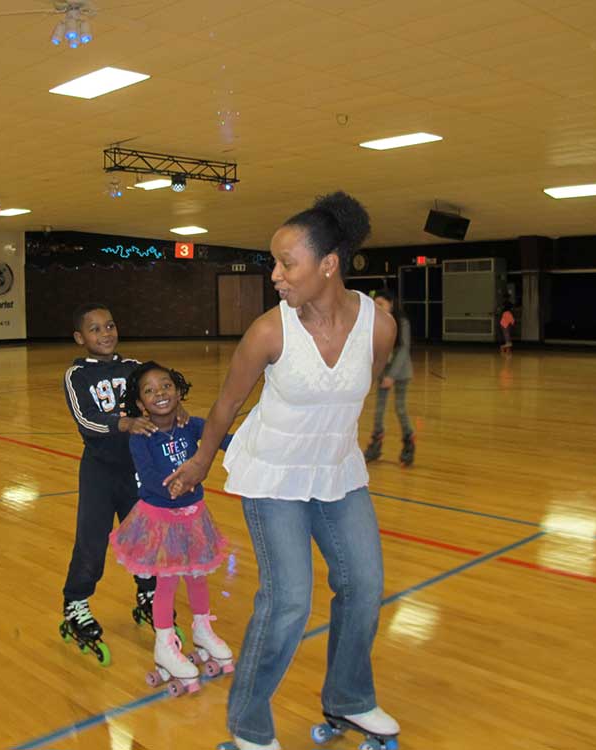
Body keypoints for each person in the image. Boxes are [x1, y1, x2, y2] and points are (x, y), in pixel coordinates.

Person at [165, 192, 399, 750]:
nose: (275, 275)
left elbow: (358, 390)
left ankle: (350, 698)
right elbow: (226, 406)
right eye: (273, 262)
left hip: (337, 473)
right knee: (289, 598)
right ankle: (249, 727)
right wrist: (199, 463)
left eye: (285, 263)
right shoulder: (269, 332)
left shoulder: (379, 327)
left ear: (328, 264)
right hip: (273, 475)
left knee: (364, 585)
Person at [59, 303, 185, 664]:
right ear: (80, 338)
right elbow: (87, 420)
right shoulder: (77, 376)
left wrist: (176, 410)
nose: (105, 333)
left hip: (137, 469)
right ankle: (76, 602)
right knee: (92, 540)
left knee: (145, 536)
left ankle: (148, 595)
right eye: (95, 329)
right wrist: (123, 423)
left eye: (110, 325)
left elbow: (160, 391)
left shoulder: (133, 369)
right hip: (99, 470)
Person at [109, 361, 233, 694]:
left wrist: (256, 445)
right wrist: (174, 488)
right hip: (160, 519)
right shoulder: (141, 436)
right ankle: (164, 643)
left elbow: (223, 440)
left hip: (194, 515)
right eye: (149, 391)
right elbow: (147, 476)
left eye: (166, 386)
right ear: (140, 404)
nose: (159, 394)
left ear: (178, 391)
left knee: (197, 575)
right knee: (166, 581)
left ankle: (203, 629)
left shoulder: (192, 425)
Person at [363, 289, 415, 466]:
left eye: (381, 304)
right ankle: (375, 444)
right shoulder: (377, 323)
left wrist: (392, 376)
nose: (377, 308)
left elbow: (403, 349)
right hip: (383, 370)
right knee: (378, 410)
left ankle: (409, 442)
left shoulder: (402, 322)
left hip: (400, 372)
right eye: (375, 304)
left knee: (400, 409)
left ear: (390, 304)